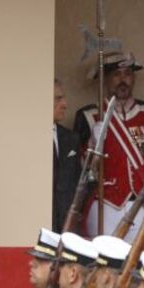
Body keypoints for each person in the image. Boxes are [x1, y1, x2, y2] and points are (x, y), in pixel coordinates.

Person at [74, 52, 144, 245]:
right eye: (116, 74)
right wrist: (92, 148)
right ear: (105, 78)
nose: (123, 80)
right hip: (104, 208)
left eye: (128, 74)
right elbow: (79, 173)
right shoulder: (89, 116)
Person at [53, 80, 81, 232]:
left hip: (67, 226)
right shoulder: (30, 138)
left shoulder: (71, 139)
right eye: (58, 99)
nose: (65, 104)